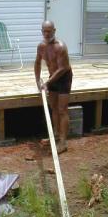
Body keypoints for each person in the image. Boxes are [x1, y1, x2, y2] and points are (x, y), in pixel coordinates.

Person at [34, 20, 73, 154]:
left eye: (49, 31)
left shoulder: (60, 46)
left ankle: (63, 142)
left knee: (62, 110)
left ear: (54, 31)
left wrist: (47, 83)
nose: (46, 33)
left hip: (64, 78)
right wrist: (37, 81)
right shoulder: (41, 47)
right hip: (52, 78)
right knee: (54, 108)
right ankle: (55, 135)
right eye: (44, 31)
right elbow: (37, 63)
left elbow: (63, 68)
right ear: (41, 31)